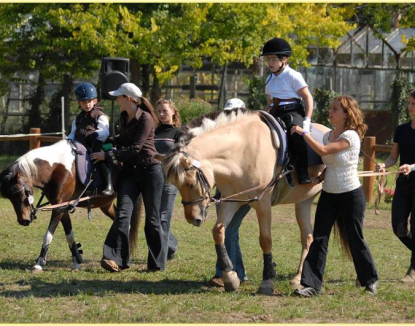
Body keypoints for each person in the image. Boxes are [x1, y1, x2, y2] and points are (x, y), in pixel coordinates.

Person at [291, 95, 379, 296]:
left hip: (351, 195)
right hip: (329, 194)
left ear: (347, 114)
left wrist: (303, 132)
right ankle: (311, 286)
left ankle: (370, 281)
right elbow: (330, 161)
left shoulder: (351, 136)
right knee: (319, 238)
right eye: (330, 108)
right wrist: (321, 175)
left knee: (355, 238)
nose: (330, 112)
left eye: (335, 109)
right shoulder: (327, 134)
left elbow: (323, 150)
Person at [90, 83, 166, 272]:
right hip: (130, 174)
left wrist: (106, 155)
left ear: (128, 98)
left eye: (119, 96)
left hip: (151, 173)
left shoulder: (146, 118)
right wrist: (108, 141)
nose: (117, 99)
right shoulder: (124, 117)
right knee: (123, 215)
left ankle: (156, 264)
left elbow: (135, 148)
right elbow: (123, 140)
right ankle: (115, 259)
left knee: (153, 220)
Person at [209, 98, 251, 287]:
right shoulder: (221, 137)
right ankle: (238, 273)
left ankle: (225, 273)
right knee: (227, 230)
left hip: (243, 190)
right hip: (224, 191)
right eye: (227, 113)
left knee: (228, 229)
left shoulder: (250, 137)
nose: (230, 117)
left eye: (234, 113)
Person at [261, 37, 314, 185]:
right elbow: (270, 101)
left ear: (283, 59)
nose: (269, 63)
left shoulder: (293, 76)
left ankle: (303, 172)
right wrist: (264, 114)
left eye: (273, 59)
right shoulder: (269, 78)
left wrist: (307, 120)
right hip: (274, 111)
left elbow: (308, 97)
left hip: (292, 112)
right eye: (268, 59)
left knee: (297, 136)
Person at [377, 90, 415, 283]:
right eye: (409, 103)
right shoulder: (401, 129)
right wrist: (385, 164)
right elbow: (393, 156)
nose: (409, 107)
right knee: (398, 227)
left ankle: (412, 271)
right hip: (403, 183)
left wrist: (413, 166)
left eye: (413, 104)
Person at [67, 83, 113, 195]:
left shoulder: (100, 115)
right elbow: (72, 134)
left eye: (89, 101)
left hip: (97, 145)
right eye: (83, 102)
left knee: (98, 158)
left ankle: (109, 184)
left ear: (95, 101)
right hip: (81, 146)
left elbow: (104, 132)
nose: (87, 104)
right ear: (79, 103)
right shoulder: (77, 119)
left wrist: (93, 135)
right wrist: (66, 141)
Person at [154, 98, 182, 262]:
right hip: (153, 179)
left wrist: (159, 157)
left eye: (165, 110)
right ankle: (170, 244)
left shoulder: (178, 133)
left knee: (163, 217)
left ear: (173, 111)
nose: (162, 114)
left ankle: (161, 255)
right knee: (155, 217)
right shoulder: (154, 132)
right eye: (159, 111)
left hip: (170, 180)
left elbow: (179, 156)